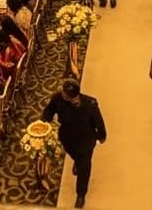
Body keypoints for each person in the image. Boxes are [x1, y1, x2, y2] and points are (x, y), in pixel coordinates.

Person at [42, 79, 107, 208]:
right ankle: (76, 161)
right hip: (67, 138)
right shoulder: (59, 98)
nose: (62, 94)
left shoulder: (89, 105)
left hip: (85, 141)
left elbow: (98, 121)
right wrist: (44, 122)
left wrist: (102, 136)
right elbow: (49, 110)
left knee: (84, 168)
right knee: (74, 156)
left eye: (65, 94)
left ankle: (81, 195)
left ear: (73, 96)